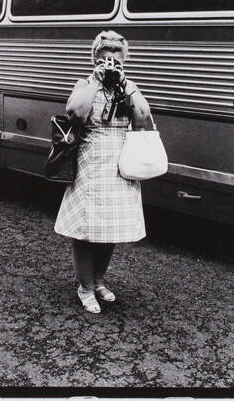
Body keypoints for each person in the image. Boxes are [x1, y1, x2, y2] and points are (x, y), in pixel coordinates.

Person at [54, 31, 151, 314]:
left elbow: (143, 117)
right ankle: (84, 287)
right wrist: (96, 82)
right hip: (91, 164)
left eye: (116, 62)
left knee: (110, 229)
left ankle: (97, 281)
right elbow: (75, 115)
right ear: (96, 60)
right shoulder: (85, 84)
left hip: (120, 165)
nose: (110, 65)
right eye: (105, 60)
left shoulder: (127, 86)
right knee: (86, 230)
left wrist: (125, 84)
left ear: (124, 62)